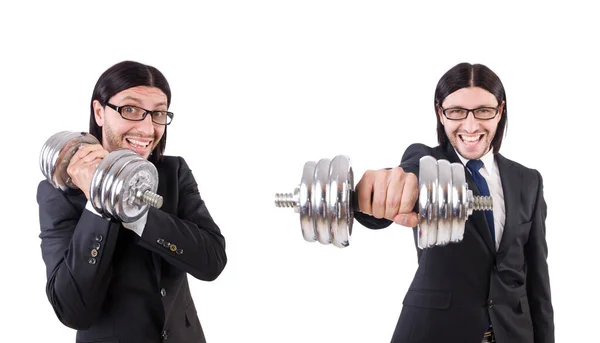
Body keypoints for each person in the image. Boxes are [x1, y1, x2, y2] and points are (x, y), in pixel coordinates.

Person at [354, 63, 554, 343]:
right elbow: (407, 177)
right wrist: (378, 195)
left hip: (514, 333)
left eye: (484, 111)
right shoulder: (428, 163)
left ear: (500, 111)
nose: (471, 125)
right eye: (457, 112)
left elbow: (537, 281)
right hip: (437, 330)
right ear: (440, 114)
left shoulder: (528, 180)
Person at [37, 60, 227, 343]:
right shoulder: (60, 191)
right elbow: (73, 311)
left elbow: (212, 261)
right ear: (99, 112)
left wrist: (136, 214)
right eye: (130, 110)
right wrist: (98, 203)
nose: (148, 129)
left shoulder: (173, 172)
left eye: (158, 113)